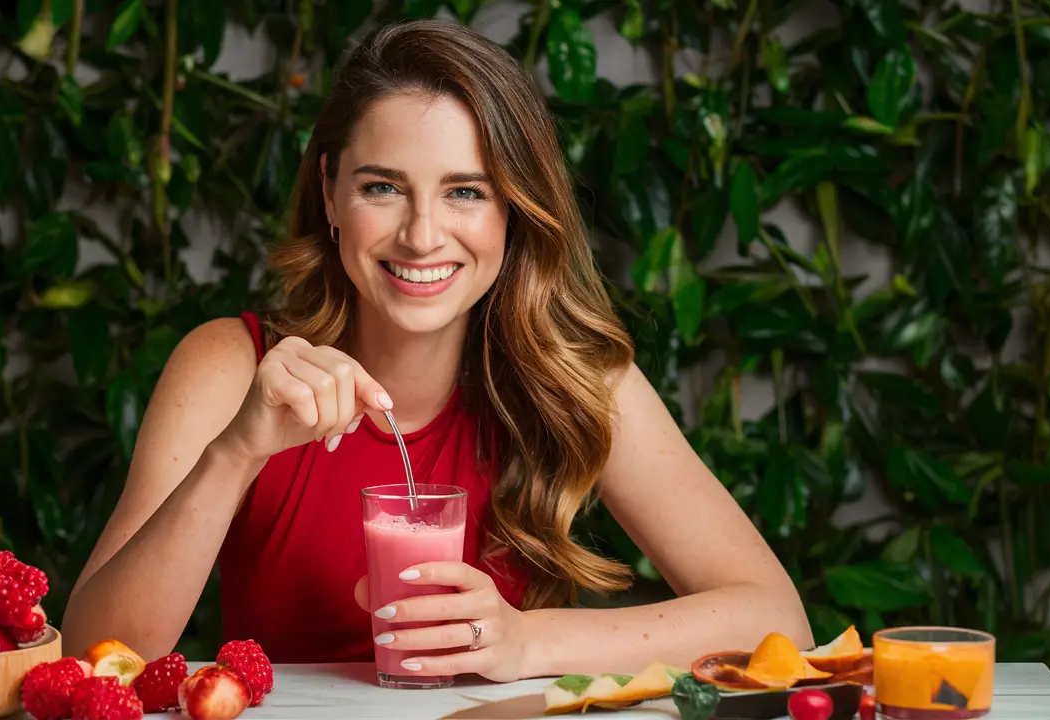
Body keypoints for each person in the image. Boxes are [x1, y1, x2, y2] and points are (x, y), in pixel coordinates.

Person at [61, 18, 812, 681]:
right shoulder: (233, 367)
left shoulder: (577, 379)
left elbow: (776, 621)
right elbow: (95, 651)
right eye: (383, 187)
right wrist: (235, 453)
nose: (422, 236)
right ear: (329, 193)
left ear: (516, 209)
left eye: (466, 192)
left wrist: (525, 642)